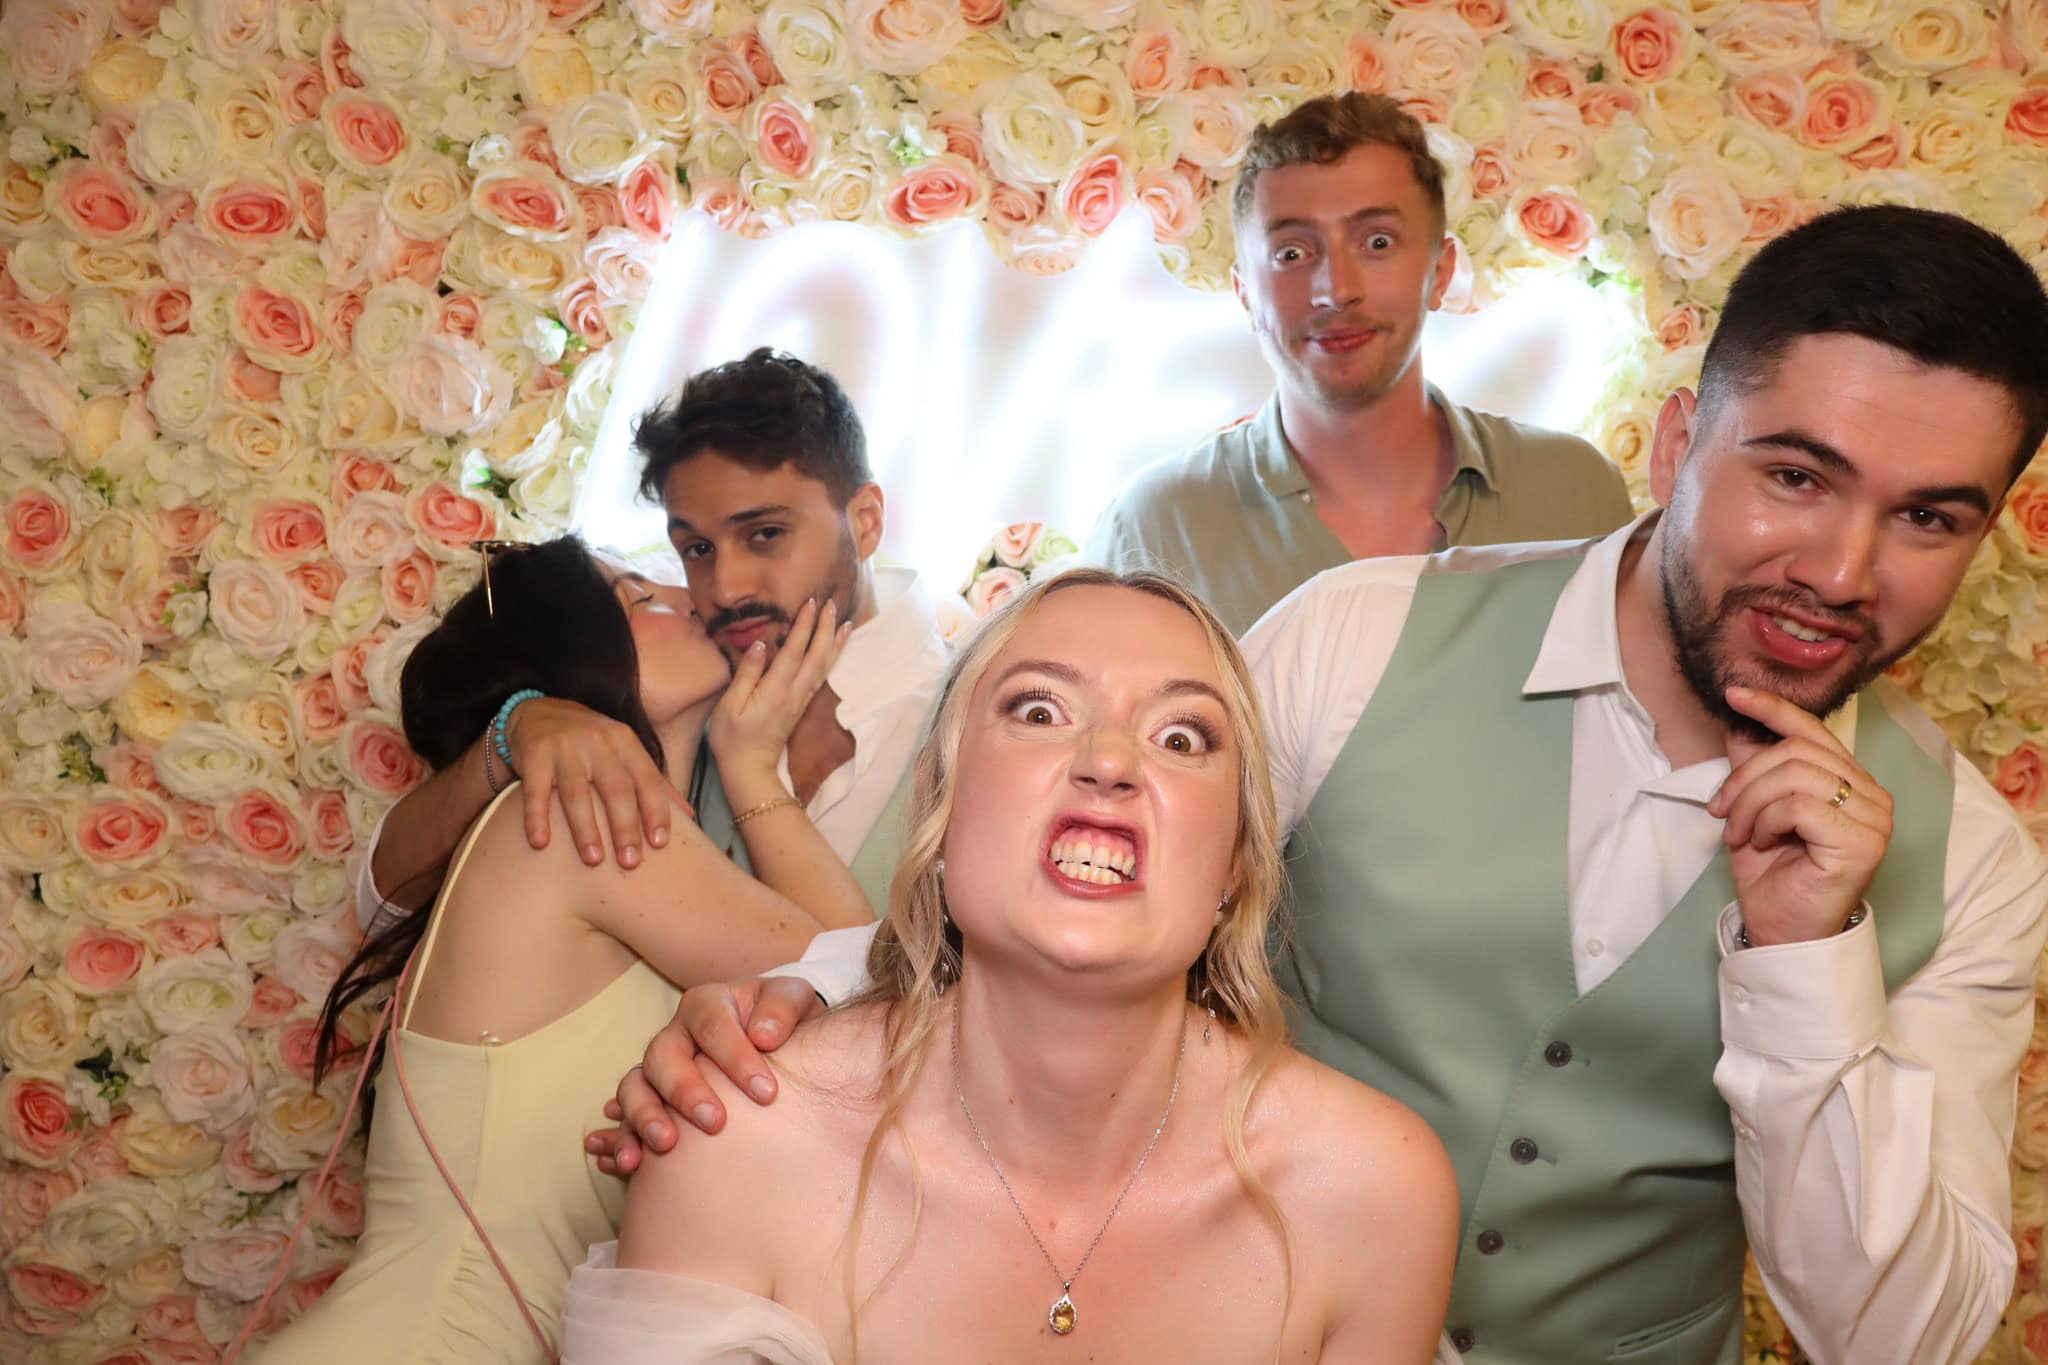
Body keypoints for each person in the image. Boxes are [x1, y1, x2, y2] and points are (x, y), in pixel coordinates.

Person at [599, 206, 2048, 1364]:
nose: (1841, 571)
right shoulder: (1361, 637)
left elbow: (1898, 1340)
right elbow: (1103, 861)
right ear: (1677, 445)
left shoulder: (1978, 867)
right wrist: (806, 1015)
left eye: (1927, 517)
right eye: (1794, 477)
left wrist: (1805, 963)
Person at [560, 569, 1461, 1363]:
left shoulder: (1370, 1193)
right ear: (941, 811)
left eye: (1182, 736)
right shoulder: (738, 1142)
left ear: (1236, 863)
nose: (1109, 760)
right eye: (1039, 711)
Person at [258, 537, 877, 1363]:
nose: (688, 597)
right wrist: (752, 767)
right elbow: (873, 987)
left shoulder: (638, 839)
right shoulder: (586, 821)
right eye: (639, 596)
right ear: (577, 652)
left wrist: (744, 761)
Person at [349, 349, 949, 932]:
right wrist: (518, 727)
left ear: (866, 522)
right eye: (697, 548)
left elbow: (874, 985)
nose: (724, 589)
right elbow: (382, 908)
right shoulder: (694, 672)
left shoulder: (970, 717)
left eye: (765, 533)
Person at [1086, 92, 1635, 636]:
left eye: (1376, 242)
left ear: (1440, 273)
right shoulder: (1155, 531)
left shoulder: (1576, 493)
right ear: (1245, 293)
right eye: (1292, 253)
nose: (1335, 289)